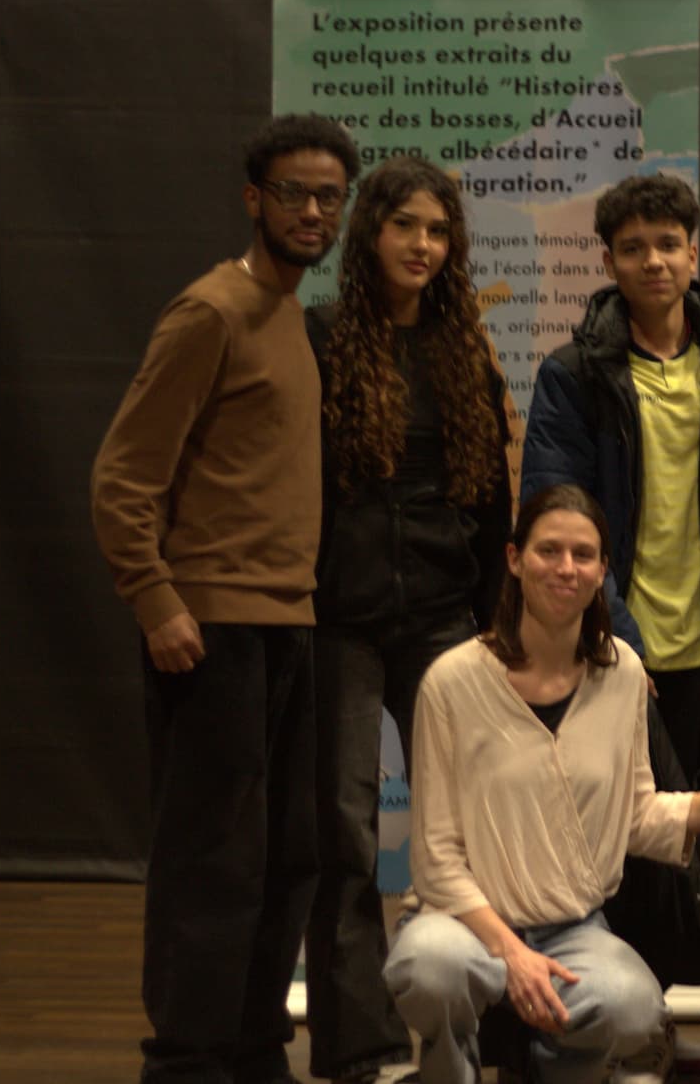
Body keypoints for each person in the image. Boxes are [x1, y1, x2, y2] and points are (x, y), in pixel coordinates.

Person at [90, 113, 359, 1083]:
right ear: (255, 199)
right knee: (210, 864)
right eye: (294, 192)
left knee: (286, 857)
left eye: (330, 195)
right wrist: (156, 600)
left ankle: (251, 1049)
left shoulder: (290, 314)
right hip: (210, 631)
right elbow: (123, 477)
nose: (313, 210)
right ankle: (190, 1060)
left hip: (290, 626)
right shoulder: (209, 310)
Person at [383, 484, 700, 1084]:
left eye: (584, 555)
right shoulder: (451, 682)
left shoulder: (622, 673)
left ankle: (559, 1073)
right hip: (462, 925)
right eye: (549, 550)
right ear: (514, 559)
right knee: (429, 970)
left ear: (604, 570)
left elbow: (635, 818)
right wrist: (512, 954)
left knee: (635, 1009)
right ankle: (451, 1073)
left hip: (572, 929)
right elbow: (436, 859)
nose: (566, 568)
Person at [303, 156, 513, 1084]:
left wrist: (492, 617)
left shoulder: (462, 346)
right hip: (339, 621)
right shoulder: (320, 338)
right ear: (370, 235)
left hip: (443, 620)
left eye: (438, 231)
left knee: (460, 837)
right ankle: (361, 1047)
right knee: (344, 835)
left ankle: (467, 1037)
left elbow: (495, 503)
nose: (423, 245)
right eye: (405, 228)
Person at [522, 172, 700, 779]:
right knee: (615, 836)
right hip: (612, 643)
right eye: (633, 248)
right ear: (608, 261)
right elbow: (555, 518)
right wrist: (614, 638)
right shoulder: (573, 377)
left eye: (669, 244)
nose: (653, 261)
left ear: (693, 254)